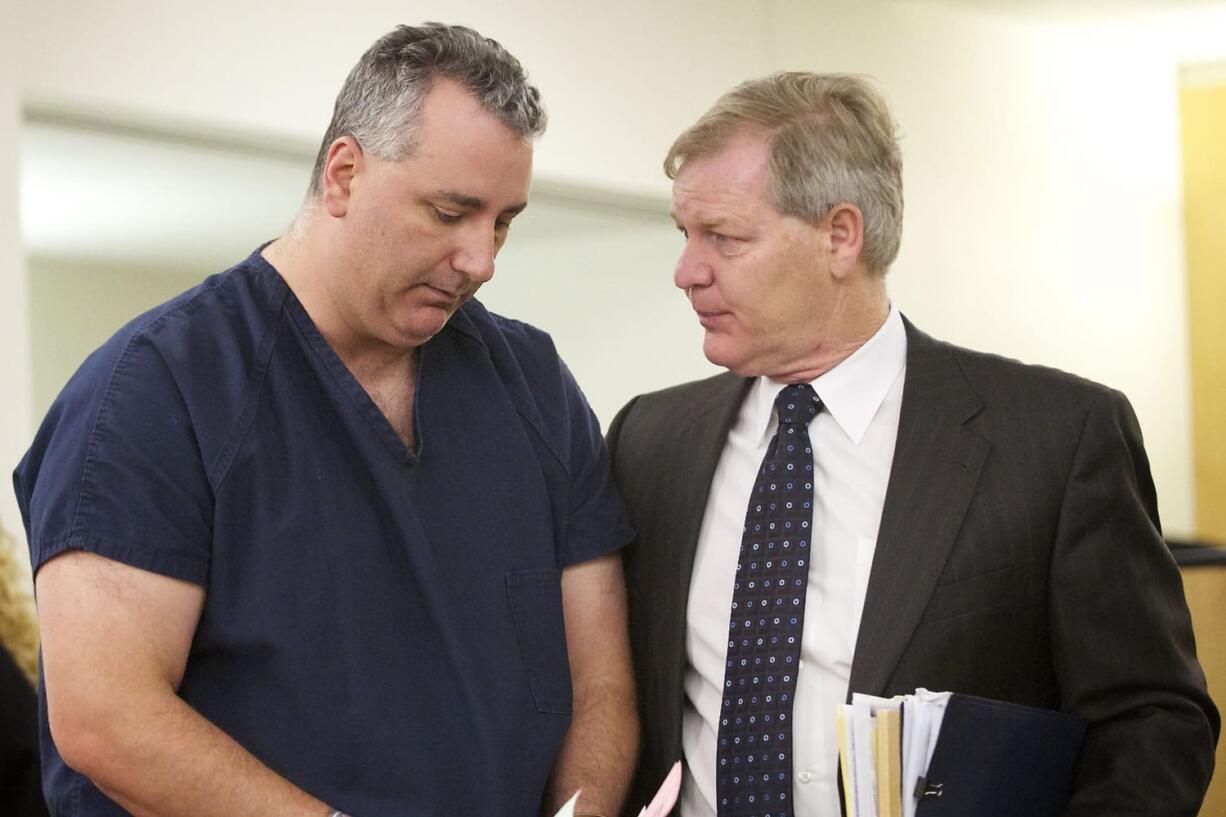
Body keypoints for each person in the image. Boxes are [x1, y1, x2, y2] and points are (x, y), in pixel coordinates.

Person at [14, 23, 637, 817]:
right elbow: (106, 720)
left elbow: (603, 684)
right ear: (343, 175)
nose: (482, 260)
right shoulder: (158, 389)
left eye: (504, 221)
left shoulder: (533, 387)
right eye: (451, 212)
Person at [608, 72, 1218, 817]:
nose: (686, 271)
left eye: (724, 237)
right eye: (685, 234)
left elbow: (1153, 719)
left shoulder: (1057, 438)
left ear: (840, 235)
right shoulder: (648, 439)